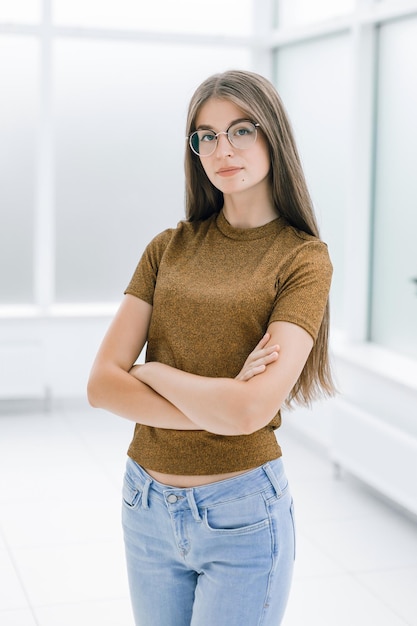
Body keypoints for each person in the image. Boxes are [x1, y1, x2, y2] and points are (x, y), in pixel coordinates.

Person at [87, 69, 335, 626]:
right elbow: (102, 385)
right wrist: (216, 401)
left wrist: (151, 372)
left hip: (244, 514)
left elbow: (251, 410)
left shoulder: (303, 259)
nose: (223, 149)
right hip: (145, 504)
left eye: (241, 130)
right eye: (207, 135)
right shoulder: (167, 248)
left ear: (272, 135)